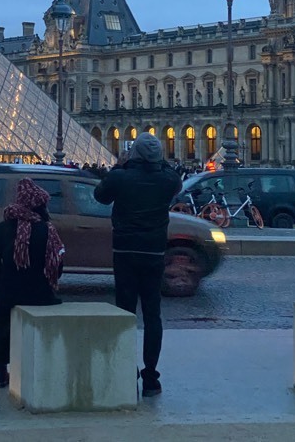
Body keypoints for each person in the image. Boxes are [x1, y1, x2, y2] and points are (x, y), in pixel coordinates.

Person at [94, 133, 182, 398]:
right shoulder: (168, 180)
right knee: (153, 314)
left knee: (125, 311)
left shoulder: (121, 177)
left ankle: (125, 369)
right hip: (154, 251)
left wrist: (120, 165)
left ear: (134, 155)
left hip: (125, 250)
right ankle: (151, 377)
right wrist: (159, 162)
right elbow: (173, 176)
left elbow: (100, 195)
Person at [0, 178, 65, 389]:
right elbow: (58, 268)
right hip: (42, 295)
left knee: (0, 321)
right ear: (40, 205)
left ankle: (0, 373)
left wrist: (3, 286)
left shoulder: (1, 228)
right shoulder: (48, 230)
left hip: (10, 293)